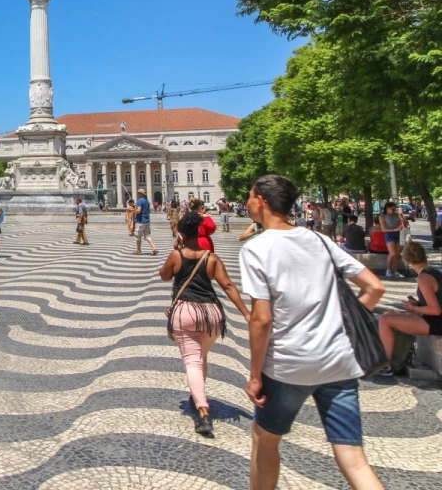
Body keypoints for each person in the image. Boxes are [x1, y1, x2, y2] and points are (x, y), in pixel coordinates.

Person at [240, 174, 385, 490]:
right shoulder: (319, 239)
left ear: (261, 201)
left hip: (289, 365)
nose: (247, 202)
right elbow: (374, 287)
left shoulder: (256, 249)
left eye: (249, 196)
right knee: (354, 459)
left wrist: (254, 375)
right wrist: (338, 327)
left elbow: (261, 320)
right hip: (339, 361)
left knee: (264, 439)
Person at [160, 212, 251, 437]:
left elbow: (164, 276)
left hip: (185, 312)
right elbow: (228, 286)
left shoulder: (176, 255)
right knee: (201, 357)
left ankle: (203, 412)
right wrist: (247, 314)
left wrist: (176, 248)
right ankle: (198, 392)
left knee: (192, 362)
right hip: (211, 314)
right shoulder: (211, 258)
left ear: (180, 233)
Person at [377, 241, 442, 376]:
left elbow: (436, 310)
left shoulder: (423, 278)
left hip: (436, 322)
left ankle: (386, 365)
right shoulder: (434, 272)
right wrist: (417, 304)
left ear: (407, 260)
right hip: (433, 319)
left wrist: (413, 309)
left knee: (385, 320)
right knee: (389, 313)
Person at [379, 202, 404, 278]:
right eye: (392, 209)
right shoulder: (382, 216)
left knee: (398, 254)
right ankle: (388, 269)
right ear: (387, 208)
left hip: (399, 234)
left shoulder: (396, 215)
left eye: (395, 209)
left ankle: (395, 270)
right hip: (390, 234)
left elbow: (405, 223)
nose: (394, 210)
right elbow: (383, 229)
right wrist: (395, 229)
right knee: (392, 253)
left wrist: (401, 216)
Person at [133, 190, 158, 255]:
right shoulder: (147, 201)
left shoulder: (139, 201)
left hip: (140, 221)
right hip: (147, 220)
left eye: (138, 193)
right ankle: (154, 248)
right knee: (148, 235)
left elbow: (139, 210)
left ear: (141, 194)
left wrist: (133, 212)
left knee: (138, 235)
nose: (137, 194)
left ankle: (138, 250)